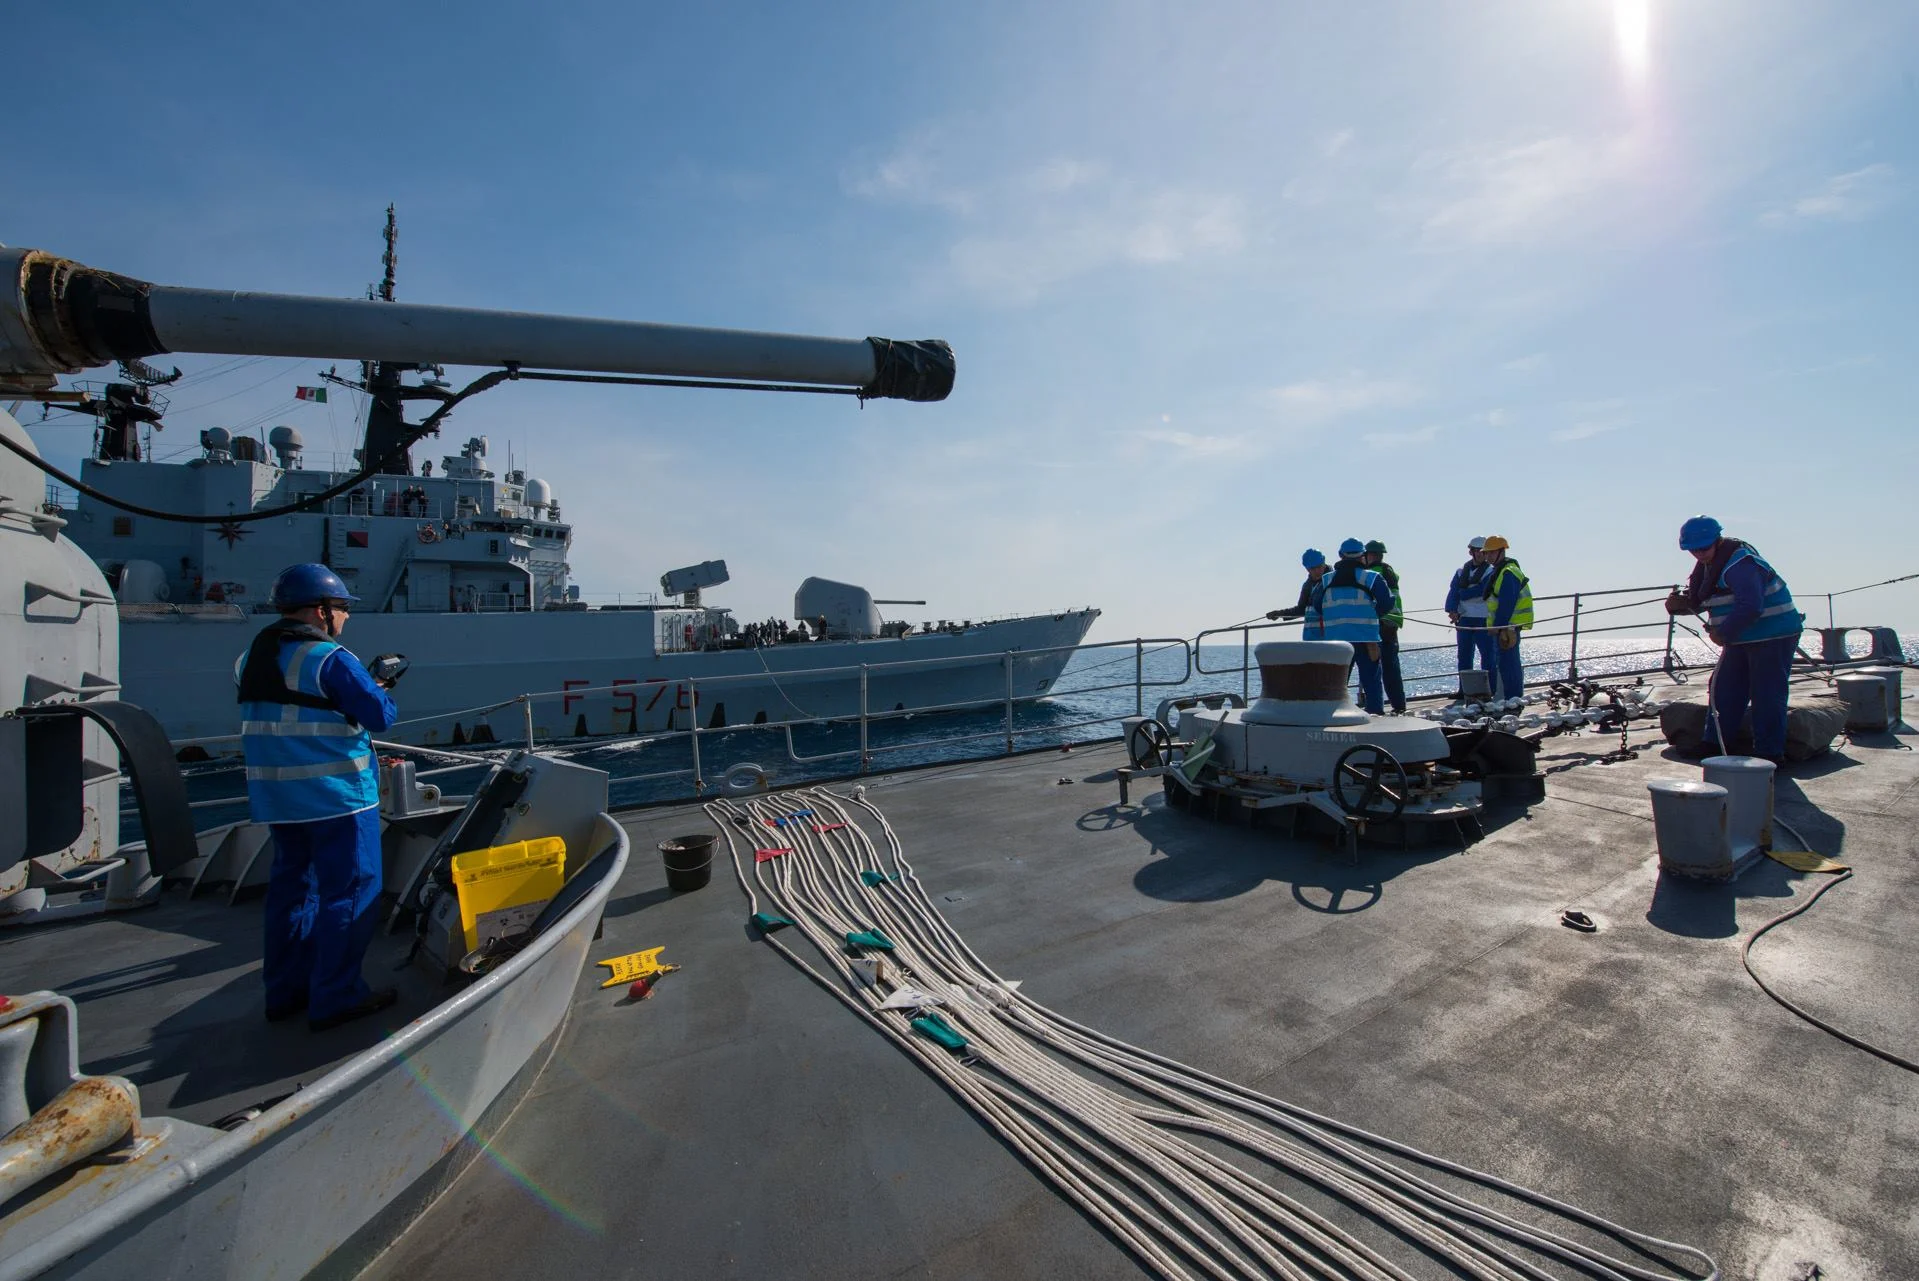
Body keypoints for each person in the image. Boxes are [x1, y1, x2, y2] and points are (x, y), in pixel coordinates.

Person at [237, 563, 399, 1031]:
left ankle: (285, 992)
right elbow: (379, 715)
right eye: (343, 608)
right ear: (320, 611)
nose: (346, 617)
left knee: (292, 893)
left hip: (278, 798)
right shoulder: (329, 658)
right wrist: (379, 687)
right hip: (336, 796)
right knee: (349, 892)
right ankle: (336, 995)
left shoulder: (251, 658)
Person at [1665, 515, 1804, 763]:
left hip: (1772, 635)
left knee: (1767, 693)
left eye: (1703, 548)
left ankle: (1769, 753)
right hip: (1741, 637)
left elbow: (1751, 606)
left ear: (1717, 541)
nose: (1698, 554)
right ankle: (1716, 743)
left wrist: (1723, 632)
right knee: (1724, 689)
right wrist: (1682, 605)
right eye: (1693, 550)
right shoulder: (1710, 564)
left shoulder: (1741, 564)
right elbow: (1715, 598)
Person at [1308, 538, 1396, 714]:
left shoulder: (1325, 580)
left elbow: (1317, 605)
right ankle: (1375, 717)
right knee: (1371, 680)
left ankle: (1333, 715)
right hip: (1366, 637)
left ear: (1341, 556)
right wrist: (1372, 613)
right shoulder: (1372, 578)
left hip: (1336, 641)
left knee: (1336, 682)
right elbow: (1387, 603)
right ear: (1362, 555)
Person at [1481, 536, 1533, 700]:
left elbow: (1506, 603)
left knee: (1509, 664)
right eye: (1486, 553)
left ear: (1501, 552)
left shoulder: (1508, 572)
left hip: (1508, 627)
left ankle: (1513, 699)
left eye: (1491, 553)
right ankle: (1511, 697)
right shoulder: (1502, 571)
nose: (1488, 556)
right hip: (1506, 626)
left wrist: (1498, 626)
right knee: (1506, 663)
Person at [1361, 540, 1407, 715]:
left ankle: (1375, 707)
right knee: (1391, 668)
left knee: (1374, 668)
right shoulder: (1389, 571)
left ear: (1369, 555)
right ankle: (1399, 705)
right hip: (1392, 623)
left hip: (1381, 624)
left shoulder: (1373, 573)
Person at [1445, 536, 1496, 682]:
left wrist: (1464, 594)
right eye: (1477, 551)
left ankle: (1490, 688)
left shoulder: (1491, 572)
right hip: (1464, 618)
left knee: (1488, 655)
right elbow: (1453, 591)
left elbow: (1482, 590)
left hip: (1484, 618)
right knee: (1464, 655)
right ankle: (1464, 689)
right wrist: (1452, 610)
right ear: (1471, 552)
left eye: (1483, 551)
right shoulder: (1460, 572)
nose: (1480, 554)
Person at [1269, 548, 1331, 628]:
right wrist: (1279, 614)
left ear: (1324, 563)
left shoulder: (1334, 580)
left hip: (1330, 633)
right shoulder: (1308, 586)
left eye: (1319, 567)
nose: (1317, 571)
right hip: (1312, 635)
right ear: (1307, 569)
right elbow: (1301, 610)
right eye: (1313, 569)